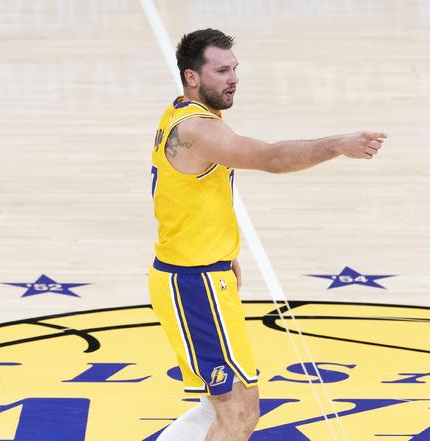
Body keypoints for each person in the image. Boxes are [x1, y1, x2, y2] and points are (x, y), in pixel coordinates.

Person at [148, 28, 387, 441]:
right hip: (194, 283)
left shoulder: (182, 112)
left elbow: (191, 196)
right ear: (192, 77)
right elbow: (271, 158)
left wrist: (224, 253)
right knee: (238, 412)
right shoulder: (198, 131)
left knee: (220, 407)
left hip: (201, 275)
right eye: (222, 71)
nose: (234, 79)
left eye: (234, 69)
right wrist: (338, 144)